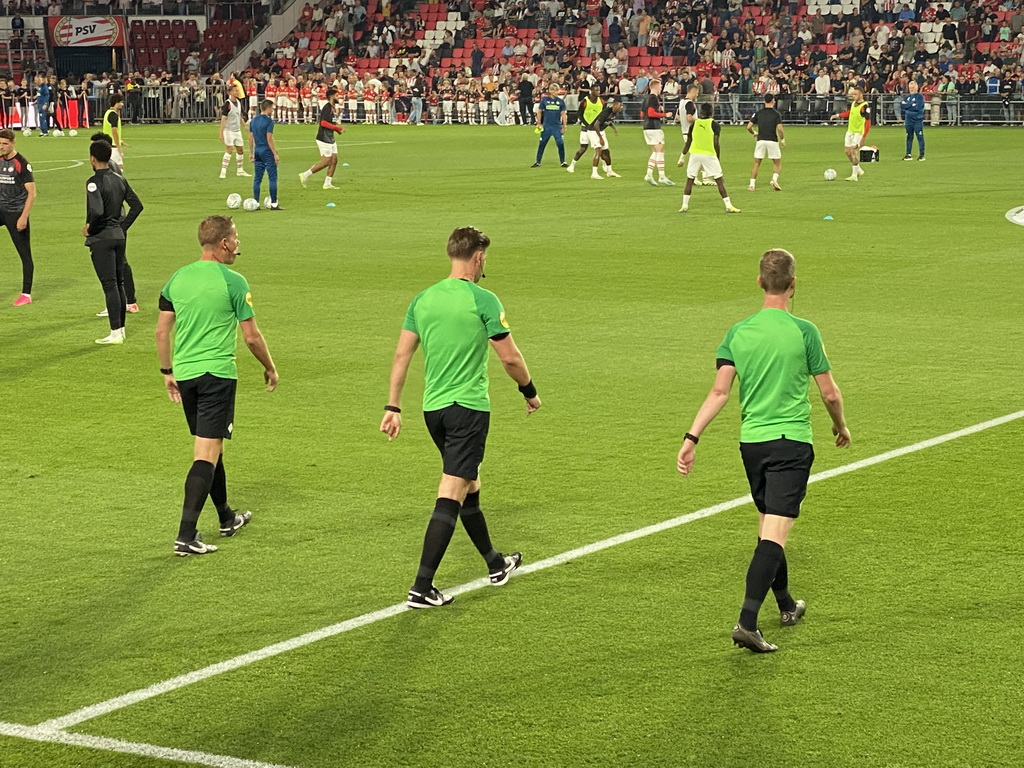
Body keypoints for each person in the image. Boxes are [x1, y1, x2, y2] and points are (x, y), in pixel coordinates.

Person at [676, 248, 851, 653]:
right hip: (791, 443)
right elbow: (829, 391)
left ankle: (787, 605)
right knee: (775, 533)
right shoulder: (805, 331)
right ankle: (747, 623)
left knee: (768, 526)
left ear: (759, 283)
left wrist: (692, 437)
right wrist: (840, 425)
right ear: (793, 285)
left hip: (752, 444)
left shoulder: (738, 332)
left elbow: (720, 391)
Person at [380, 226, 540, 608]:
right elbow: (510, 357)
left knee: (469, 482)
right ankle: (421, 587)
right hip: (467, 409)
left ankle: (495, 563)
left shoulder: (423, 299)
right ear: (479, 257)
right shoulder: (482, 299)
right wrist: (529, 391)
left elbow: (402, 355)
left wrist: (393, 406)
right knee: (452, 488)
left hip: (433, 410)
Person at [156, 216, 279, 556]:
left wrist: (167, 371)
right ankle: (186, 535)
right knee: (205, 454)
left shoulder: (177, 279)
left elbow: (162, 331)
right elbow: (251, 337)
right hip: (217, 376)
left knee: (212, 447)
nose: (238, 245)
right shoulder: (234, 281)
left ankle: (227, 517)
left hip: (186, 375)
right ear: (224, 243)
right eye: (236, 239)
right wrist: (269, 367)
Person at [83, 140, 143, 345]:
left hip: (102, 239)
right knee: (119, 283)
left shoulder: (93, 182)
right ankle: (121, 331)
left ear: (92, 158)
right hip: (119, 237)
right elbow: (136, 206)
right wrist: (122, 227)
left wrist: (90, 228)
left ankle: (115, 332)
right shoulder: (120, 179)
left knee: (109, 285)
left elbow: (97, 211)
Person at [679, 103, 740, 214]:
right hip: (709, 154)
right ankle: (728, 205)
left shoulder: (694, 124)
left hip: (695, 154)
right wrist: (717, 157)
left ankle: (684, 206)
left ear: (700, 112)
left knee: (690, 179)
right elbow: (716, 143)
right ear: (712, 112)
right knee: (719, 180)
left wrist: (682, 157)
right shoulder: (715, 125)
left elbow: (688, 142)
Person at [0, 129, 35, 306]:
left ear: (13, 143)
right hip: (1, 210)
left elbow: (32, 193)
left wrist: (23, 217)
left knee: (24, 254)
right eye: (0, 143)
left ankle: (26, 294)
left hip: (16, 213)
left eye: (5, 143)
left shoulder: (21, 163)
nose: (2, 147)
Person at [299, 87, 344, 190]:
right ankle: (305, 175)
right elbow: (323, 123)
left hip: (330, 138)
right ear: (332, 96)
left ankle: (327, 183)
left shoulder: (332, 108)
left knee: (334, 160)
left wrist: (337, 130)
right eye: (337, 95)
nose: (338, 97)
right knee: (326, 161)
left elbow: (330, 123)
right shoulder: (327, 107)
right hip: (324, 138)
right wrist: (336, 128)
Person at [830, 87, 870, 181]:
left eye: (855, 94)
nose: (853, 96)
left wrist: (863, 137)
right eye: (853, 94)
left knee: (853, 152)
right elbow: (849, 113)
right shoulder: (854, 104)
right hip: (850, 131)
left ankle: (854, 175)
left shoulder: (865, 106)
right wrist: (838, 115)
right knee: (847, 152)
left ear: (861, 95)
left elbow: (868, 123)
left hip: (858, 132)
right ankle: (858, 169)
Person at [747, 93, 785, 191]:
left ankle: (752, 185)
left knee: (756, 163)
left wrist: (754, 133)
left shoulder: (758, 113)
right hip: (772, 140)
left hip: (761, 140)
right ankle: (774, 179)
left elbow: (749, 126)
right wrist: (783, 139)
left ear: (764, 101)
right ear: (773, 101)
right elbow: (780, 129)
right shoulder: (776, 114)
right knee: (777, 163)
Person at [248, 99, 282, 210]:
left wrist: (251, 153)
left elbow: (250, 138)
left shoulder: (253, 121)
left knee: (257, 178)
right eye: (272, 108)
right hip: (267, 151)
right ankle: (274, 203)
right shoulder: (268, 121)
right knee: (272, 178)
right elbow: (269, 138)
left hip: (258, 150)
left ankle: (256, 203)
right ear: (267, 108)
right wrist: (275, 153)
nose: (272, 110)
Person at [641, 78, 674, 186]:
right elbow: (650, 113)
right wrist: (665, 115)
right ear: (655, 86)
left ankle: (649, 174)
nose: (661, 88)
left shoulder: (646, 98)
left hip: (646, 127)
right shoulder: (653, 98)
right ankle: (661, 176)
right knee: (660, 151)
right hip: (654, 127)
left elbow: (642, 114)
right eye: (660, 86)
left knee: (655, 152)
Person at [566, 84, 604, 174]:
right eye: (596, 90)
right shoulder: (585, 101)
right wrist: (587, 124)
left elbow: (604, 114)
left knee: (599, 148)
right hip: (585, 128)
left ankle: (604, 165)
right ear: (591, 91)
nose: (598, 92)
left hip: (596, 129)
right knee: (583, 148)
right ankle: (572, 165)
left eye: (599, 90)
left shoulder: (602, 101)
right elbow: (579, 114)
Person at [584, 98, 624, 179]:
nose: (621, 107)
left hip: (600, 131)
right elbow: (596, 125)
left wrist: (614, 128)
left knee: (606, 151)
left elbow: (608, 121)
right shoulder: (606, 112)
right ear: (615, 105)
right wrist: (600, 138)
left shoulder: (614, 112)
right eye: (620, 105)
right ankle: (594, 173)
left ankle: (609, 171)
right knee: (598, 151)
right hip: (593, 131)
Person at [531, 84, 568, 168]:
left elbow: (563, 114)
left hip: (557, 127)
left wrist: (564, 126)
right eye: (554, 90)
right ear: (550, 91)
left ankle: (563, 162)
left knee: (560, 143)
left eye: (557, 90)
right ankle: (538, 162)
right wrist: (539, 123)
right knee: (542, 144)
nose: (556, 92)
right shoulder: (544, 100)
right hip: (547, 126)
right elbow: (539, 111)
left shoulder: (561, 101)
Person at [219, 89, 251, 179]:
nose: (237, 92)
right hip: (229, 130)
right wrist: (221, 133)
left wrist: (245, 127)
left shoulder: (238, 102)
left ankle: (240, 170)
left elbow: (239, 116)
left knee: (240, 150)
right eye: (235, 91)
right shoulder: (227, 104)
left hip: (237, 131)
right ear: (230, 92)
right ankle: (223, 171)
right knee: (229, 149)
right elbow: (223, 119)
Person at [900, 80, 925, 160]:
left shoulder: (919, 97)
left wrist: (908, 105)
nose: (911, 89)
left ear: (916, 88)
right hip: (908, 121)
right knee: (909, 137)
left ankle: (921, 154)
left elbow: (917, 107)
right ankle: (908, 154)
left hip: (917, 120)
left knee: (919, 137)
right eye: (910, 87)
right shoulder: (907, 97)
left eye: (913, 87)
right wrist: (911, 105)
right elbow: (902, 106)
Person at [102, 95, 127, 170]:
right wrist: (119, 148)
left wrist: (121, 141)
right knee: (118, 170)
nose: (122, 104)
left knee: (112, 169)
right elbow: (114, 131)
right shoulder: (113, 115)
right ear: (116, 103)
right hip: (113, 147)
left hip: (107, 145)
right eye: (121, 102)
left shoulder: (108, 113)